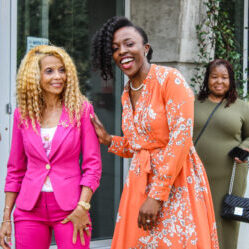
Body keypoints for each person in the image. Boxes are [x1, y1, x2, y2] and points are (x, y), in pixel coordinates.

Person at [91, 16, 219, 249]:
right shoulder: (127, 92)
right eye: (115, 48)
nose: (122, 51)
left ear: (145, 48)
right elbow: (137, 146)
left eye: (129, 44)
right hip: (139, 184)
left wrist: (156, 195)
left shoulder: (170, 80)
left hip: (176, 183)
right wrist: (109, 140)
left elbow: (181, 139)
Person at [0, 45, 102, 249]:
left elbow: (93, 165)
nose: (58, 76)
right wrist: (6, 216)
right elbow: (15, 169)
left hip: (71, 207)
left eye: (62, 70)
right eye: (50, 71)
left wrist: (83, 206)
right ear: (34, 76)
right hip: (29, 209)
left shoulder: (81, 110)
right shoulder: (23, 114)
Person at [193, 59, 249, 249]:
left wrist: (245, 147)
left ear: (231, 80)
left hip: (231, 175)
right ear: (207, 79)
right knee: (195, 221)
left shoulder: (242, 106)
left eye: (224, 77)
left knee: (226, 221)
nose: (219, 81)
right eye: (214, 76)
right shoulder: (194, 104)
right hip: (195, 175)